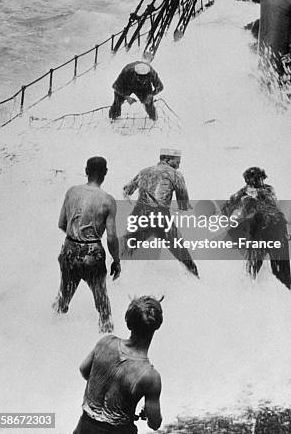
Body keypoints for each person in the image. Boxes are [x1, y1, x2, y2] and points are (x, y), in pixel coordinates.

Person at [73, 295, 163, 434]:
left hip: (84, 427)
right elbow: (155, 423)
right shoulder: (150, 377)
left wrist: (102, 384)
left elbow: (84, 370)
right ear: (157, 325)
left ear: (129, 322)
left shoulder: (106, 342)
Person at [52, 156, 121, 333]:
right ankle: (105, 343)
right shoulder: (108, 200)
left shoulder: (72, 192)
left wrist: (75, 240)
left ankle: (49, 335)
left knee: (62, 299)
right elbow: (111, 237)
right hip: (92, 254)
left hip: (69, 251)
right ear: (105, 173)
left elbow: (62, 224)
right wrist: (116, 260)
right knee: (103, 306)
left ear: (86, 171)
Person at [122, 149, 199, 277]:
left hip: (139, 215)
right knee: (182, 255)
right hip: (161, 218)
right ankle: (196, 279)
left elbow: (126, 192)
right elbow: (183, 204)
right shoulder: (176, 175)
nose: (179, 165)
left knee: (124, 253)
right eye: (177, 162)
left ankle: (114, 281)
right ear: (167, 159)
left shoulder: (144, 171)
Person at [221, 166, 291, 289]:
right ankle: (249, 297)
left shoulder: (268, 190)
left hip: (275, 230)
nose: (258, 182)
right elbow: (226, 209)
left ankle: (285, 298)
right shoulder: (244, 193)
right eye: (254, 180)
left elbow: (271, 202)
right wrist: (242, 199)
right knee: (251, 272)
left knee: (282, 275)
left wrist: (251, 197)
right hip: (262, 232)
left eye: (259, 179)